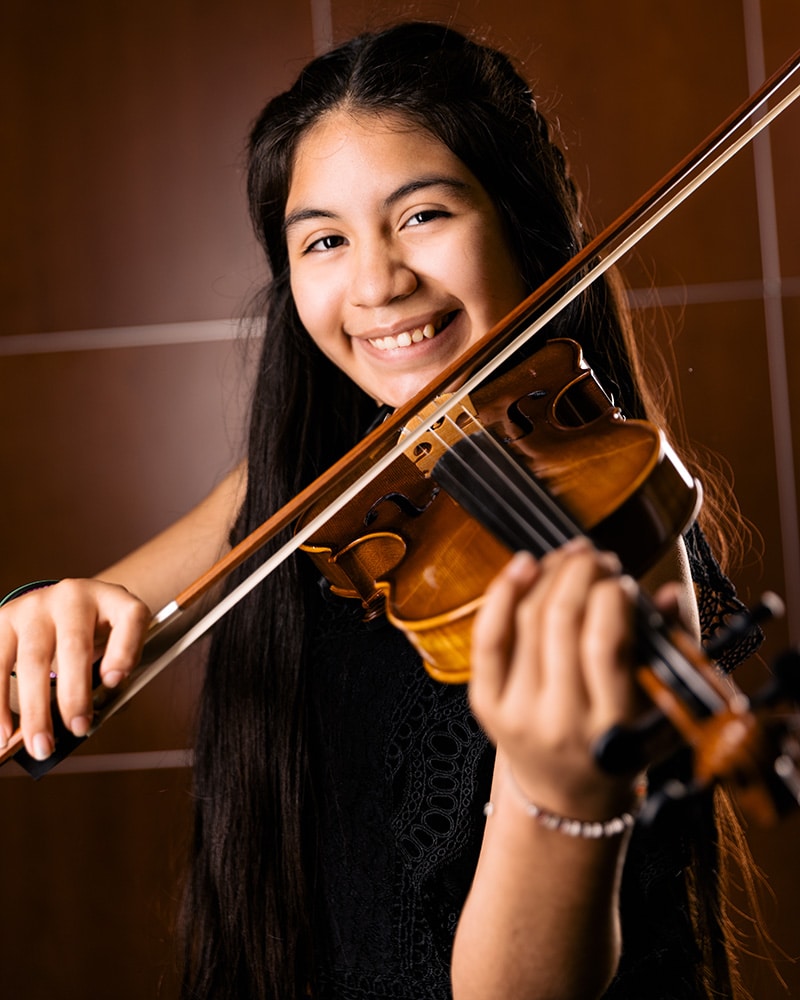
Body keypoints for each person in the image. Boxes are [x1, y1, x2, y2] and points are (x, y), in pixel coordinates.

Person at [0, 21, 764, 1000]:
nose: (377, 283)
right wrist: (46, 614)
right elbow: (57, 653)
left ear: (519, 220)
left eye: (422, 215)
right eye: (325, 240)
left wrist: (559, 793)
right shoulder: (313, 482)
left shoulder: (619, 528)